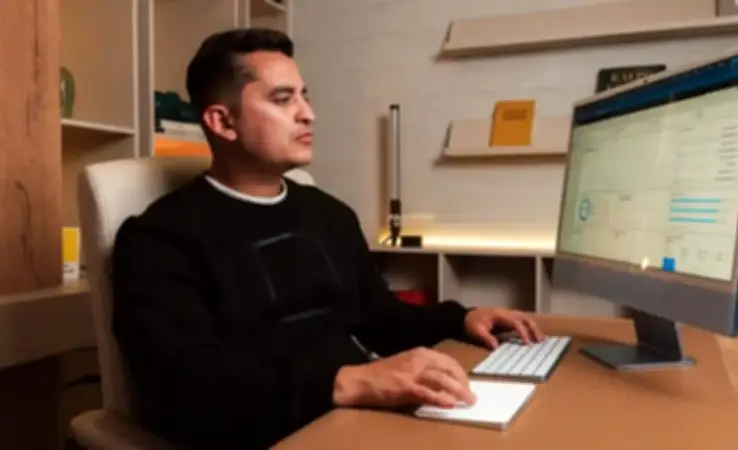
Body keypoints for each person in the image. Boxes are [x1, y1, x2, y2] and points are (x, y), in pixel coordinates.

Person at [111, 27, 545, 450]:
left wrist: (460, 320)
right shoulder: (158, 239)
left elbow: (379, 317)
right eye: (283, 99)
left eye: (305, 95)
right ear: (223, 122)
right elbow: (185, 382)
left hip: (359, 416)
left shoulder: (329, 214)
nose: (308, 113)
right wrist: (351, 381)